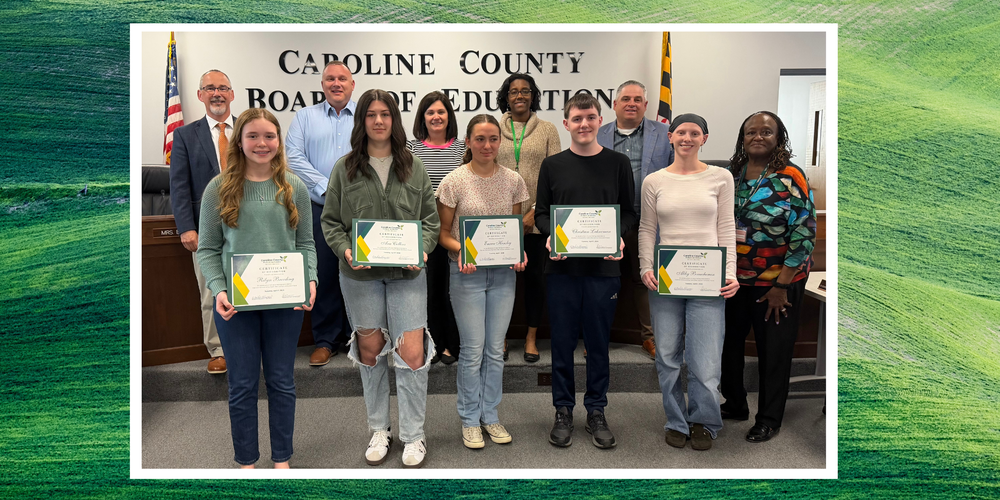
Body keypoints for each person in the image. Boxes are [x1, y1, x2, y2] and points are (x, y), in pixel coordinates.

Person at [321, 89, 440, 468]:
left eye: (385, 114)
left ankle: (414, 435)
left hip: (407, 274)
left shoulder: (413, 166)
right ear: (362, 121)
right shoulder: (345, 167)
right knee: (370, 352)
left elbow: (430, 221)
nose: (378, 121)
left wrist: (423, 248)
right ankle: (379, 428)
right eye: (371, 114)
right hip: (360, 276)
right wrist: (345, 250)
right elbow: (331, 223)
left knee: (412, 352)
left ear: (394, 120)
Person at [196, 108, 318, 468]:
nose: (261, 143)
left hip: (285, 302)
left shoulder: (294, 187)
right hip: (235, 304)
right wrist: (218, 289)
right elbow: (207, 248)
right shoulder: (218, 188)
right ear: (240, 141)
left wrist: (310, 279)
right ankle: (246, 461)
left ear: (279, 142)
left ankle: (282, 458)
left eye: (269, 136)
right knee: (243, 385)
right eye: (253, 136)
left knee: (281, 381)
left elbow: (306, 243)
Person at [535, 93, 636, 449]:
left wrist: (620, 237)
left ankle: (596, 410)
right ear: (566, 124)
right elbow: (542, 214)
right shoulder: (553, 166)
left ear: (599, 120)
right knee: (561, 343)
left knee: (597, 344)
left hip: (603, 270)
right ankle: (563, 409)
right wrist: (550, 237)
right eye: (577, 119)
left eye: (590, 117)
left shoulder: (618, 163)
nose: (584, 124)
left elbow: (629, 213)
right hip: (561, 269)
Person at [638, 113, 739, 451]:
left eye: (694, 133)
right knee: (666, 356)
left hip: (709, 280)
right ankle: (676, 421)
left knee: (706, 361)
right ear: (670, 136)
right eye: (681, 132)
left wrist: (731, 273)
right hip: (665, 279)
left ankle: (704, 421)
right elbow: (647, 228)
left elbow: (726, 227)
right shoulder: (654, 180)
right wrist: (645, 267)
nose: (687, 138)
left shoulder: (721, 177)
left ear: (704, 139)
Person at [720, 111, 816, 443]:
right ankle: (734, 403)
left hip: (778, 283)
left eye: (766, 132)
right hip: (735, 281)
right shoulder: (730, 174)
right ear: (742, 138)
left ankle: (769, 418)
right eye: (750, 132)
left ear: (779, 138)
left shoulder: (791, 177)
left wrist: (782, 285)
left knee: (773, 351)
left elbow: (804, 234)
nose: (757, 137)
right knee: (727, 345)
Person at [436, 114, 530, 449]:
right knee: (473, 349)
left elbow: (515, 230)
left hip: (504, 275)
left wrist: (519, 253)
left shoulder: (514, 181)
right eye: (480, 139)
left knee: (495, 349)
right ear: (469, 141)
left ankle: (490, 415)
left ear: (500, 142)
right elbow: (442, 235)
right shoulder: (453, 182)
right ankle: (469, 418)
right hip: (467, 275)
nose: (487, 145)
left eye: (493, 139)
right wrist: (464, 251)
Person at [596, 80, 674, 360]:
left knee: (647, 278)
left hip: (651, 219)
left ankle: (650, 338)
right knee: (602, 278)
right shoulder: (597, 133)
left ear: (646, 105)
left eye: (637, 99)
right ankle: (597, 337)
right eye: (626, 98)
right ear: (614, 104)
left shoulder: (666, 133)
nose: (631, 103)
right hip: (608, 220)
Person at [286, 60, 356, 367]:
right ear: (322, 85)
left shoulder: (366, 116)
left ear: (352, 85)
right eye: (330, 79)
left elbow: (376, 153)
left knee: (360, 270)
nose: (336, 83)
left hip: (359, 209)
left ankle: (360, 337)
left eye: (342, 78)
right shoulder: (304, 117)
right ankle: (326, 340)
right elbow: (294, 157)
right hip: (319, 206)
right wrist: (329, 188)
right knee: (324, 273)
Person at [169, 69, 235, 374]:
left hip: (248, 225)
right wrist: (186, 226)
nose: (217, 93)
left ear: (232, 94)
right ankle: (218, 349)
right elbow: (179, 185)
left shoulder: (249, 130)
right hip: (205, 228)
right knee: (211, 290)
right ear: (200, 95)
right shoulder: (184, 134)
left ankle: (248, 345)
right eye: (210, 88)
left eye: (223, 88)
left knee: (250, 285)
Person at [495, 72, 562, 363]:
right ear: (505, 97)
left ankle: (531, 337)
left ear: (533, 95)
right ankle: (501, 336)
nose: (519, 96)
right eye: (513, 91)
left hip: (536, 223)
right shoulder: (492, 127)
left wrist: (533, 213)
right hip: (498, 225)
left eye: (525, 91)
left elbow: (556, 178)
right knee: (500, 283)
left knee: (536, 282)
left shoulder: (547, 130)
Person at [407, 91, 465, 365]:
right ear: (422, 117)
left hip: (453, 233)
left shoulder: (462, 149)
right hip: (423, 233)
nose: (436, 116)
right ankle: (432, 344)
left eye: (441, 111)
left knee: (451, 290)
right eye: (430, 112)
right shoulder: (411, 149)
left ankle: (451, 344)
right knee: (427, 291)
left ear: (449, 116)